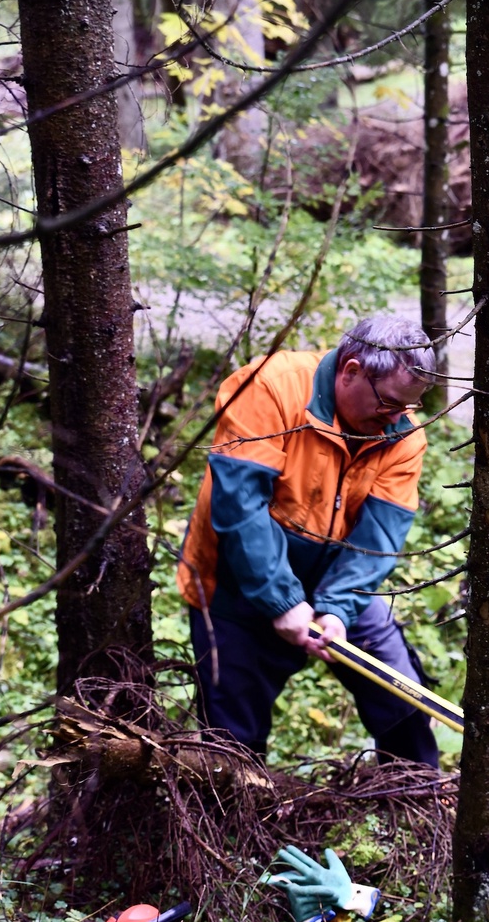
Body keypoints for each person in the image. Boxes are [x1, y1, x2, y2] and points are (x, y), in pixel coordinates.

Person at [177, 314, 441, 769]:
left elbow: (379, 537)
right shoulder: (270, 388)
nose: (397, 418)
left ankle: (417, 801)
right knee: (233, 737)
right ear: (351, 370)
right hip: (234, 579)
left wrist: (338, 608)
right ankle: (239, 822)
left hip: (333, 574)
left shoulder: (401, 432)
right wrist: (281, 601)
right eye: (389, 403)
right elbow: (240, 509)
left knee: (403, 700)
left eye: (408, 407)